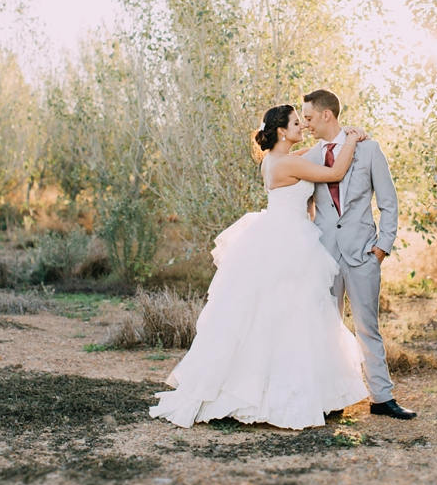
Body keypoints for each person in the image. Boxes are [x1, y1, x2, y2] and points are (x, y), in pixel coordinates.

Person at [149, 104, 368, 430]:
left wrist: (327, 142)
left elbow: (312, 152)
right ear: (282, 131)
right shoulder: (288, 164)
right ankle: (283, 395)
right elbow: (334, 174)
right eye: (296, 123)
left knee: (276, 315)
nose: (302, 127)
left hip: (278, 235)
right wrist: (351, 138)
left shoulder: (274, 160)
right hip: (288, 241)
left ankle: (303, 391)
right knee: (291, 315)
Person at [301, 88, 417, 420]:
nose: (306, 123)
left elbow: (389, 202)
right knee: (326, 326)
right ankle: (329, 398)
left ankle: (382, 398)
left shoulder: (368, 149)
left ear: (327, 114)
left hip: (364, 252)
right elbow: (304, 206)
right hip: (324, 256)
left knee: (368, 326)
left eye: (309, 117)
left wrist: (382, 246)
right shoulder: (309, 158)